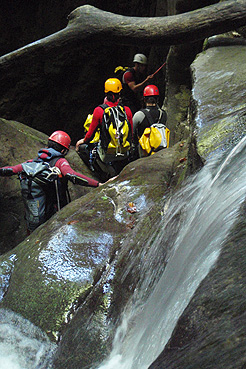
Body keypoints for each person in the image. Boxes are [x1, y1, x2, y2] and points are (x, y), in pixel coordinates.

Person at [0, 130, 101, 233]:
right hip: (53, 209)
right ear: (63, 151)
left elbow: (11, 170)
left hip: (36, 209)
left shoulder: (33, 162)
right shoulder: (60, 162)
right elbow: (72, 175)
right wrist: (98, 184)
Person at [76, 78, 133, 181]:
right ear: (119, 93)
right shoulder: (127, 111)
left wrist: (82, 141)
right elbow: (131, 134)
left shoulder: (99, 111)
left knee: (84, 148)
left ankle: (102, 174)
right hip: (124, 153)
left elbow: (90, 135)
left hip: (107, 154)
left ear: (106, 94)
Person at [132, 85, 168, 159]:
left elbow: (132, 133)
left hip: (144, 151)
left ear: (144, 99)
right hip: (160, 149)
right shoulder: (163, 114)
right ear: (157, 99)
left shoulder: (139, 115)